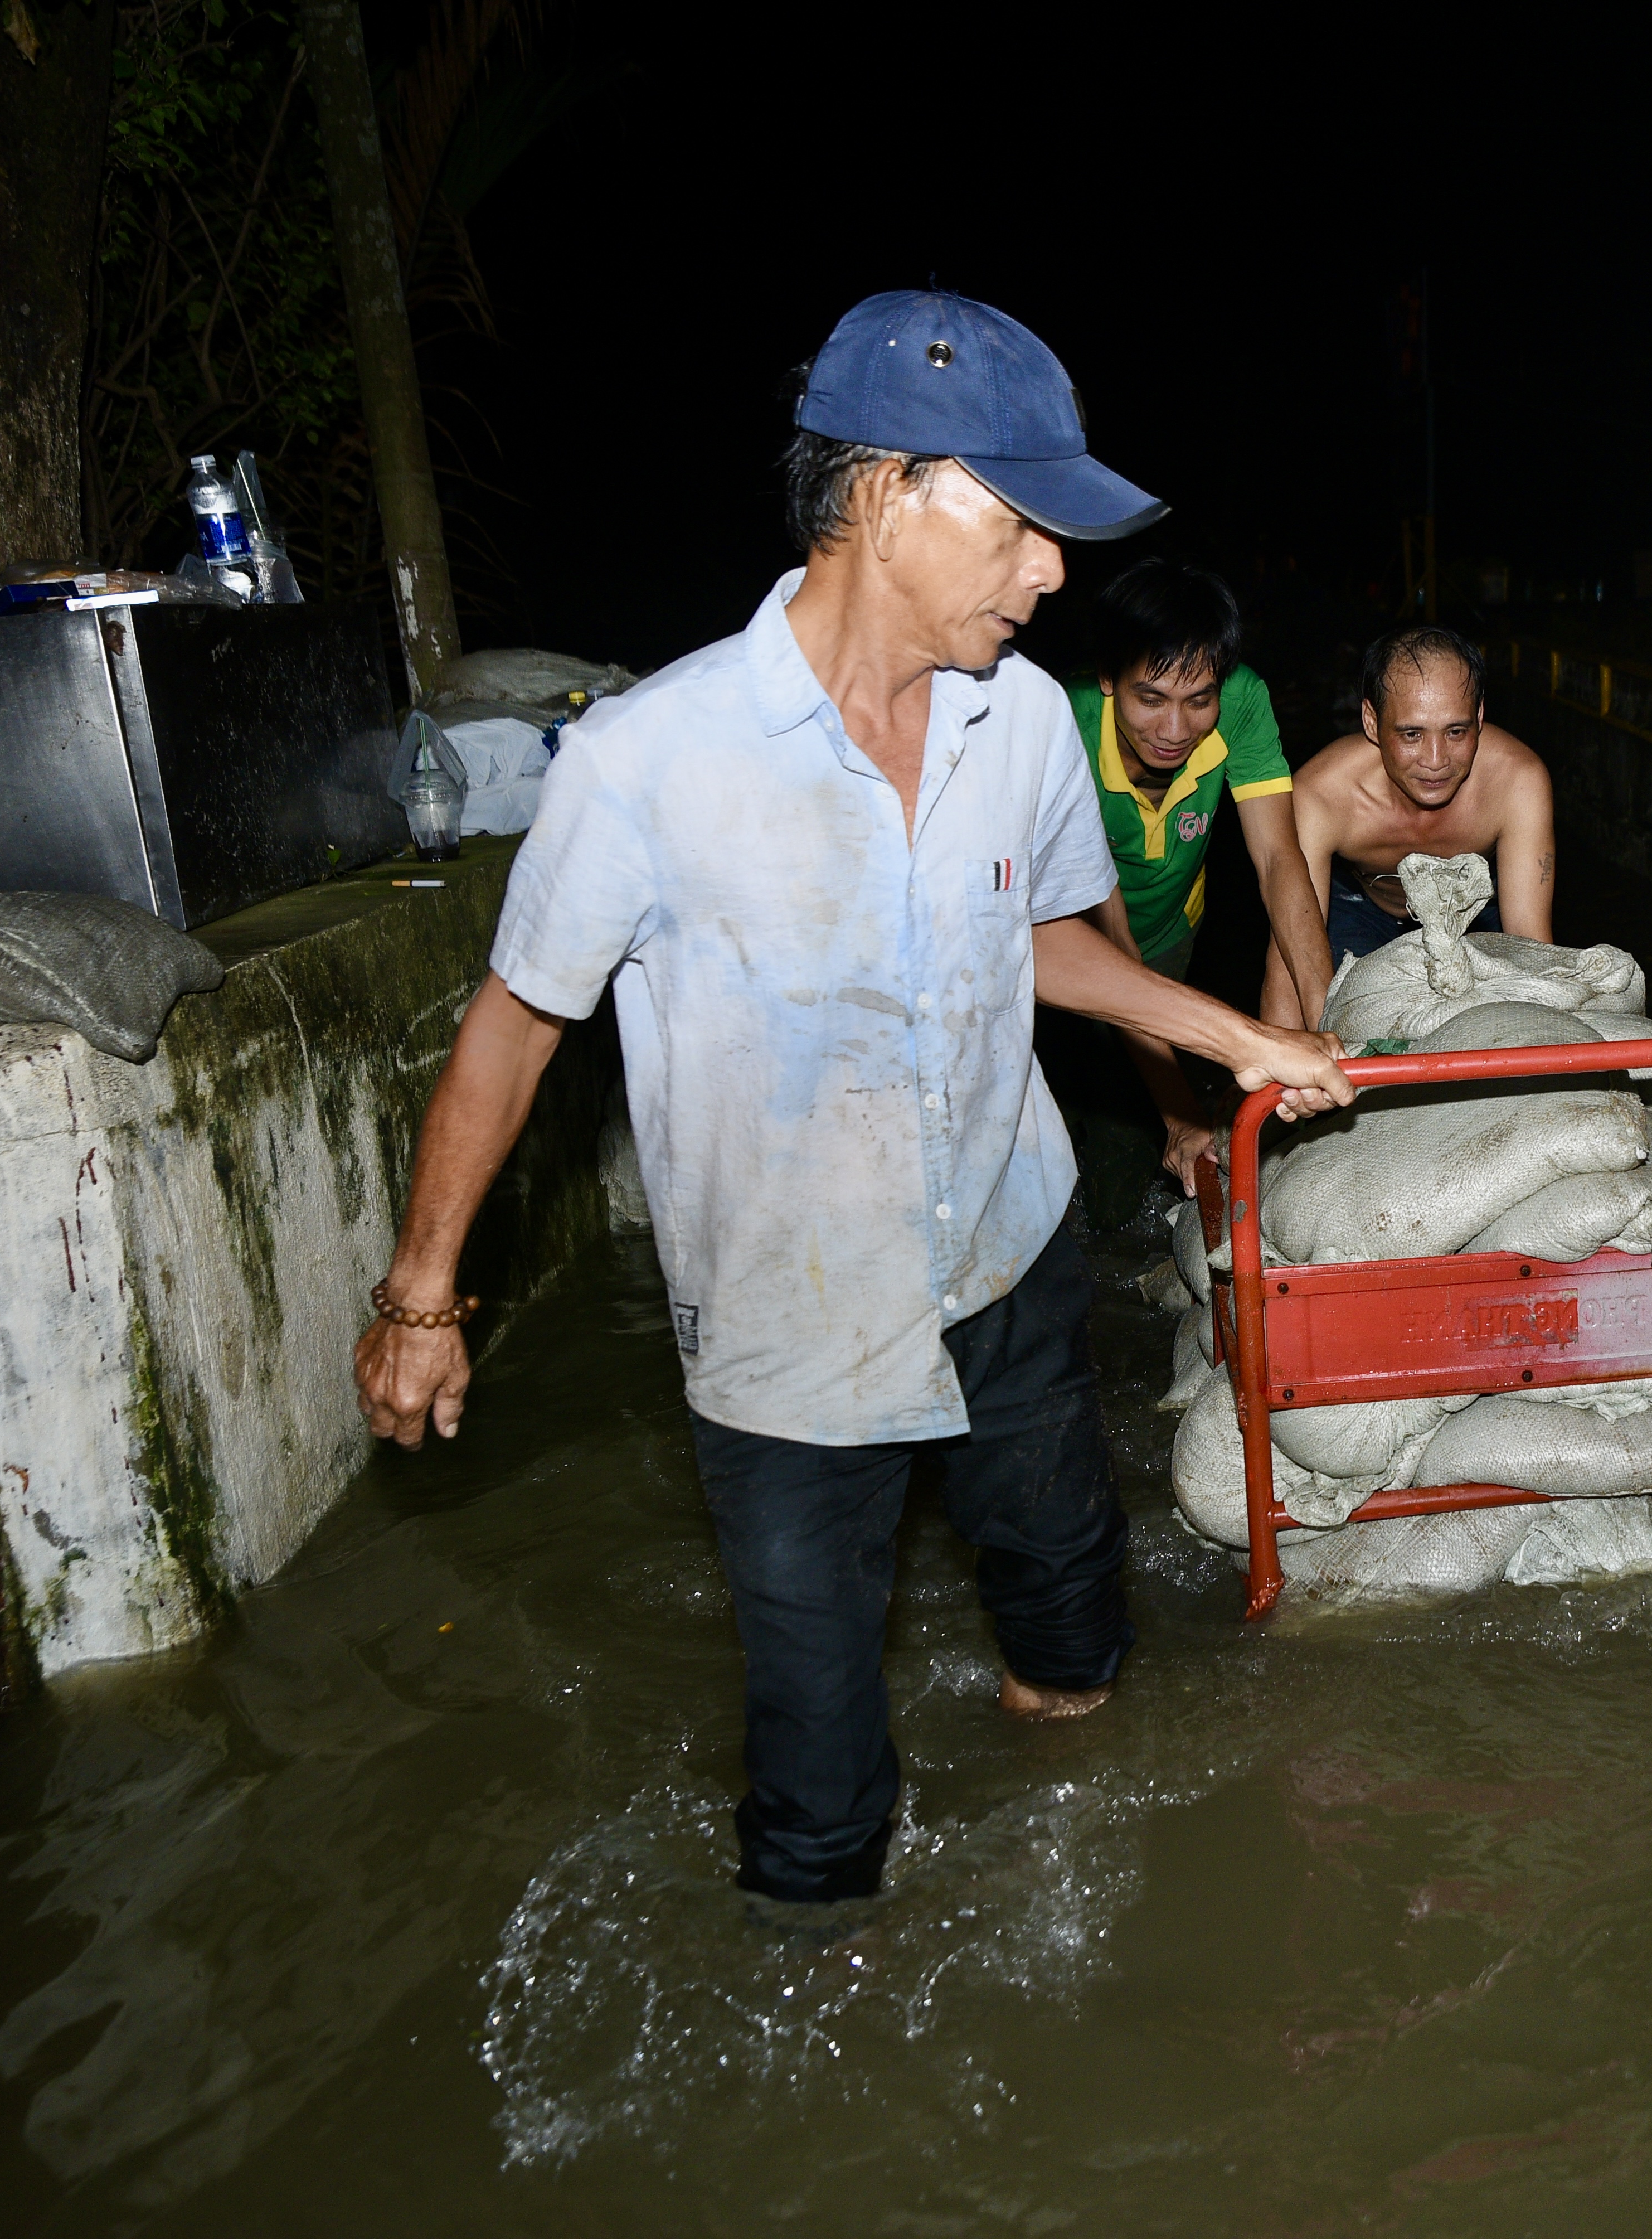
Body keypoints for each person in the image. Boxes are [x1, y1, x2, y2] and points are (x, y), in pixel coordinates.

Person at [349, 290, 1352, 1906]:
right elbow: (516, 1025)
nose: (1050, 574)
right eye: (1023, 524)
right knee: (816, 1800)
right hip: (784, 1334)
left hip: (1007, 1262)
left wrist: (1239, 1039)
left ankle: (1084, 1916)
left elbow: (1042, 945)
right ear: (886, 495)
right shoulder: (646, 761)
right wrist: (420, 1296)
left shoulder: (1021, 721)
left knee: (1073, 1629)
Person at [1060, 558, 1335, 1191]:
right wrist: (1179, 1112)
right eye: (1150, 698)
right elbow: (1109, 941)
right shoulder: (1061, 722)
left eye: (1198, 699)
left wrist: (1325, 1026)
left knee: (1117, 1177)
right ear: (1107, 677)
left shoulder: (1243, 702)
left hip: (1169, 935)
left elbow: (1277, 860)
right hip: (1064, 937)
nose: (1175, 729)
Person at [1260, 625, 1557, 1025]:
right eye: (1411, 734)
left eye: (1456, 731)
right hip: (1358, 910)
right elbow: (1288, 957)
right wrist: (1283, 1074)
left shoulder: (1517, 780)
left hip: (1472, 910)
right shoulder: (1321, 794)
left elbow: (1530, 941)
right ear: (1371, 720)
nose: (1435, 760)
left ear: (1480, 716)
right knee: (1337, 1022)